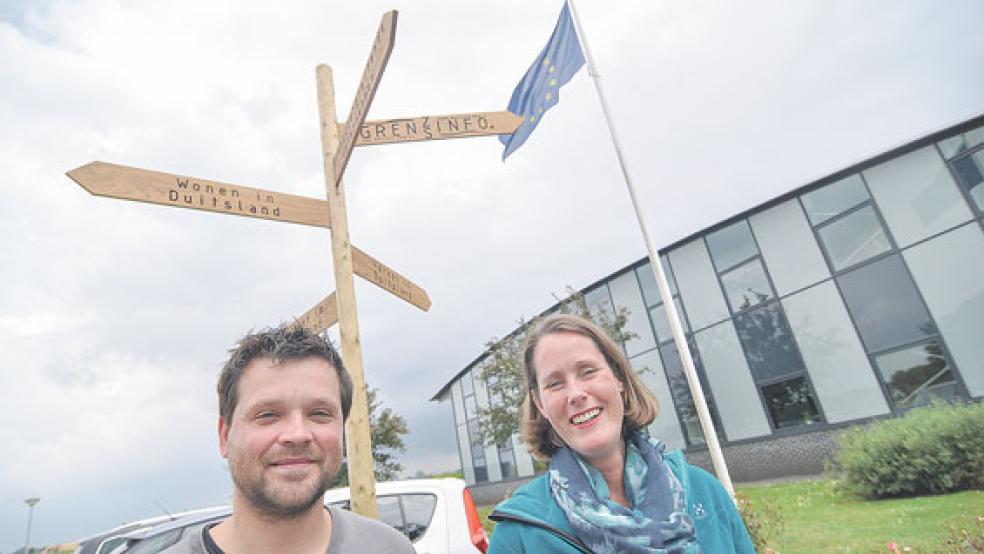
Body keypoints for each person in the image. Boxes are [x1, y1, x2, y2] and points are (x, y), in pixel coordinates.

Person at [488, 314, 754, 553]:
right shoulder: (518, 537)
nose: (576, 394)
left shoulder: (704, 491)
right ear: (539, 404)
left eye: (588, 371)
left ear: (619, 379)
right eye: (555, 383)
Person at [163, 324, 414, 554]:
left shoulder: (390, 548)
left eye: (319, 413)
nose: (297, 434)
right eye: (268, 414)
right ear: (224, 436)